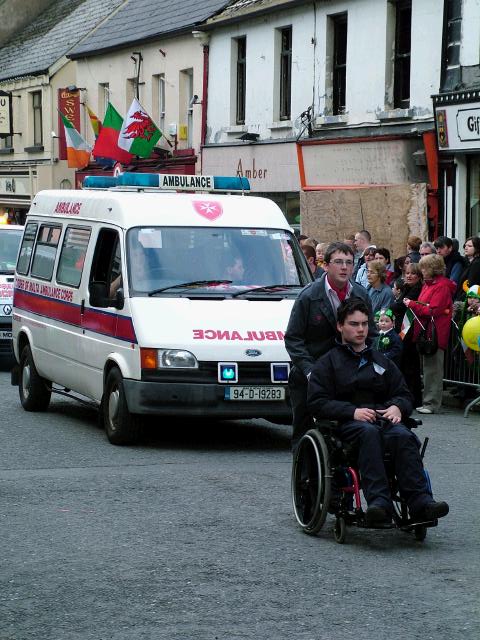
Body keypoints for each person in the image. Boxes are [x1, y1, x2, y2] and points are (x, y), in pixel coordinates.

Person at [307, 298, 449, 527]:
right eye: (354, 324)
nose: (361, 329)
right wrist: (352, 411)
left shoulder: (381, 359)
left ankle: (421, 502)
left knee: (403, 436)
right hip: (348, 425)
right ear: (340, 326)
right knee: (368, 434)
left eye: (364, 324)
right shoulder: (328, 363)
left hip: (383, 419)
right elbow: (316, 402)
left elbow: (405, 394)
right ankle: (380, 504)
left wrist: (397, 407)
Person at [285, 241, 376, 451]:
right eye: (338, 262)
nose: (344, 267)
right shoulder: (308, 296)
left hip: (348, 373)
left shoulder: (361, 295)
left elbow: (371, 335)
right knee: (304, 429)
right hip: (312, 372)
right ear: (325, 266)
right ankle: (305, 477)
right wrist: (309, 370)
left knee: (348, 426)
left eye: (349, 263)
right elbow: (293, 339)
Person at [404, 253, 455, 414]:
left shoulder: (441, 286)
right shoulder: (429, 284)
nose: (422, 271)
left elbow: (433, 310)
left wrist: (413, 304)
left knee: (433, 369)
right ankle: (427, 401)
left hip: (435, 332)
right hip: (426, 331)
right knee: (427, 368)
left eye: (424, 268)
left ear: (433, 269)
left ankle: (431, 403)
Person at [391, 262, 423, 407]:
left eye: (412, 273)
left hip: (409, 331)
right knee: (404, 365)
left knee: (410, 366)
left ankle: (414, 397)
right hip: (402, 329)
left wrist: (396, 304)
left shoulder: (416, 289)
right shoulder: (406, 288)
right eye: (407, 273)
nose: (409, 276)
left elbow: (399, 306)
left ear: (419, 276)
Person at [454, 236, 480, 301]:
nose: (466, 248)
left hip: (468, 300)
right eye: (465, 245)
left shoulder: (476, 263)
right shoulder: (468, 262)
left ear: (477, 248)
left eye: (470, 246)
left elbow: (471, 284)